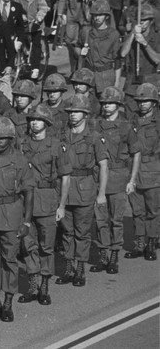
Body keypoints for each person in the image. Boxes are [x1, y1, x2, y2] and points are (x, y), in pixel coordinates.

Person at [0, 116, 35, 323]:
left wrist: (26, 222)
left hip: (11, 215)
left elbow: (29, 192)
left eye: (2, 138)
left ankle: (8, 302)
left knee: (10, 260)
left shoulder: (20, 160)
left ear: (10, 139)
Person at [17, 104, 71, 305]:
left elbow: (65, 177)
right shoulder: (22, 144)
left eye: (38, 120)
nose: (34, 123)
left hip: (48, 200)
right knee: (28, 245)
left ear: (46, 123)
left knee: (46, 246)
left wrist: (62, 205)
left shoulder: (56, 146)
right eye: (31, 119)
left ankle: (44, 286)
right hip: (26, 202)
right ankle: (33, 284)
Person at [56, 95, 109, 287]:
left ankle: (80, 269)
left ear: (85, 114)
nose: (72, 115)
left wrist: (101, 194)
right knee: (66, 232)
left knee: (82, 233)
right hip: (64, 190)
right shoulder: (61, 136)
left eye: (76, 112)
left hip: (85, 189)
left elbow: (103, 165)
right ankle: (69, 268)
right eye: (70, 112)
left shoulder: (93, 137)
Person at [90, 87, 141, 273]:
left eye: (110, 103)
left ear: (118, 105)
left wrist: (132, 180)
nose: (106, 106)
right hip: (97, 177)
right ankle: (103, 254)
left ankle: (114, 256)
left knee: (116, 220)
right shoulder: (95, 124)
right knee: (100, 219)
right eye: (104, 103)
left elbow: (136, 153)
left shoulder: (126, 126)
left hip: (118, 176)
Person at [125, 83, 160, 261]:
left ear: (153, 102)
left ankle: (151, 244)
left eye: (146, 101)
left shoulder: (158, 121)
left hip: (153, 169)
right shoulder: (131, 120)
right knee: (137, 210)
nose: (142, 104)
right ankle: (139, 244)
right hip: (134, 170)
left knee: (152, 210)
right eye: (140, 101)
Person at [76, 0, 121, 96]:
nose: (97, 18)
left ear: (106, 16)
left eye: (100, 15)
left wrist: (117, 83)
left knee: (105, 106)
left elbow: (117, 61)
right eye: (95, 15)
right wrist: (80, 52)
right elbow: (76, 46)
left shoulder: (114, 34)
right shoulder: (86, 32)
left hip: (106, 76)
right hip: (89, 76)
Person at [14, 0, 50, 79]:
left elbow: (43, 7)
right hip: (25, 23)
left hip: (36, 24)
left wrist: (39, 17)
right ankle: (23, 56)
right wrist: (20, 14)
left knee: (36, 45)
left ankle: (35, 68)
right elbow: (16, 6)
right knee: (21, 39)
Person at [120, 3, 160, 87]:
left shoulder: (157, 38)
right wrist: (132, 34)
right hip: (132, 81)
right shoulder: (130, 36)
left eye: (144, 20)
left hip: (149, 81)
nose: (141, 22)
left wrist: (145, 43)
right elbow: (123, 53)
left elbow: (157, 60)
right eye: (139, 20)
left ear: (151, 21)